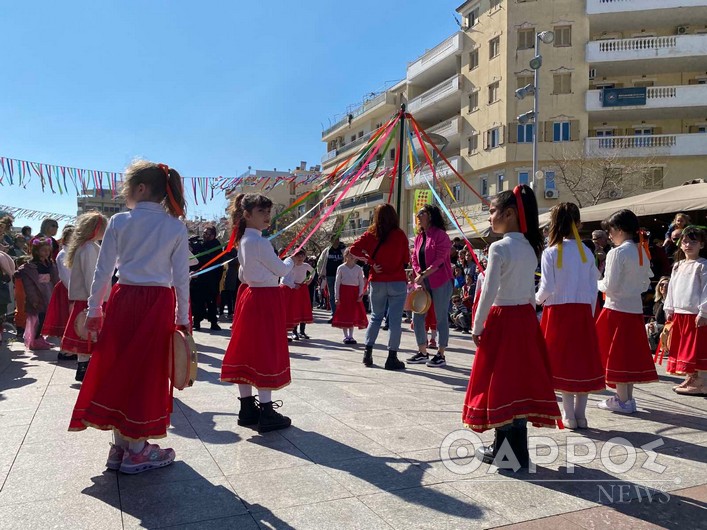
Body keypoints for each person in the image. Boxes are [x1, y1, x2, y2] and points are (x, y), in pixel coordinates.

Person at [69, 160, 190, 475]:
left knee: (117, 366)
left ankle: (120, 448)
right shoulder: (175, 227)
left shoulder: (119, 222)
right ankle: (137, 451)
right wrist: (183, 317)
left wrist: (95, 309)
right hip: (159, 302)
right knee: (147, 371)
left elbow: (103, 271)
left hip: (123, 299)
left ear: (140, 188)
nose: (124, 194)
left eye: (125, 188)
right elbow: (181, 278)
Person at [463, 185, 561, 470]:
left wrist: (478, 325)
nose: (490, 217)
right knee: (518, 383)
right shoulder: (531, 247)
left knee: (498, 383)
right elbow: (530, 294)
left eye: (492, 211)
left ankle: (509, 452)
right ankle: (509, 448)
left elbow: (489, 290)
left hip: (502, 319)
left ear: (508, 213)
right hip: (525, 320)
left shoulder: (499, 247)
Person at [221, 193, 294, 433]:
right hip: (266, 299)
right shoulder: (260, 242)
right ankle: (266, 411)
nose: (267, 217)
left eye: (268, 212)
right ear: (247, 215)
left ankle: (246, 409)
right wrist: (292, 261)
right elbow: (281, 269)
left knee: (247, 351)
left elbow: (243, 274)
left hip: (250, 297)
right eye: (261, 212)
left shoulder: (243, 241)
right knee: (265, 351)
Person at [536, 203, 605, 430]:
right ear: (578, 224)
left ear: (554, 224)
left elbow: (547, 286)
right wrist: (590, 312)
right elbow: (594, 284)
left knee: (563, 363)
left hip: (557, 314)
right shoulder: (586, 252)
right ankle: (581, 415)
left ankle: (568, 415)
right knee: (581, 363)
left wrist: (535, 301)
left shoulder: (551, 252)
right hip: (583, 312)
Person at [596, 209, 658, 414]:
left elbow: (610, 285)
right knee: (627, 356)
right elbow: (645, 283)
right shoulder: (641, 250)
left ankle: (623, 401)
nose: (609, 235)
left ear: (620, 229)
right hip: (634, 309)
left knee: (618, 356)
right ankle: (626, 398)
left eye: (611, 230)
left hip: (616, 309)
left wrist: (596, 283)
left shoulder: (617, 252)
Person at [350, 204, 410, 370]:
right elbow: (406, 259)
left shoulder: (371, 233)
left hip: (377, 280)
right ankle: (392, 357)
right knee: (395, 321)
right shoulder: (400, 235)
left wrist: (371, 262)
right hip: (397, 280)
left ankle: (367, 353)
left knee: (376, 317)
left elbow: (353, 249)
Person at [61, 213, 108, 381]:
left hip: (84, 299)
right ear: (97, 229)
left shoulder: (84, 246)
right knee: (90, 334)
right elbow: (92, 276)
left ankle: (83, 366)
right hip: (91, 299)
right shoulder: (90, 248)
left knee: (84, 334)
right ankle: (87, 369)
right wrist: (96, 299)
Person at [407, 204, 454, 368]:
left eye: (422, 213)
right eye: (418, 213)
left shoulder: (441, 236)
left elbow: (441, 260)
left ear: (431, 216)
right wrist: (419, 275)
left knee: (441, 317)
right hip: (423, 282)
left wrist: (424, 274)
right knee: (417, 315)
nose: (418, 216)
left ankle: (441, 354)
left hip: (441, 281)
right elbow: (414, 258)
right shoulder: (420, 237)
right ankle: (422, 351)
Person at [663, 226, 707, 396]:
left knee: (697, 348)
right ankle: (691, 377)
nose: (688, 245)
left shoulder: (702, 265)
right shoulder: (677, 265)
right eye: (686, 241)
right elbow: (672, 288)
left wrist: (704, 312)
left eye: (693, 242)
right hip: (680, 312)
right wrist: (670, 307)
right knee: (684, 348)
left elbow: (706, 289)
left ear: (701, 245)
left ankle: (701, 381)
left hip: (694, 314)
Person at [16, 237, 58, 350]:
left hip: (48, 290)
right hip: (39, 292)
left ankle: (40, 338)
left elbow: (55, 277)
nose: (46, 253)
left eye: (48, 250)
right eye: (44, 250)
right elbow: (29, 285)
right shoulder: (32, 266)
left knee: (45, 317)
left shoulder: (49, 263)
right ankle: (35, 339)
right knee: (39, 317)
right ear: (36, 251)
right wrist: (33, 299)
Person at [43, 225, 75, 360]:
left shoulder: (71, 252)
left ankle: (69, 349)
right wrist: (73, 293)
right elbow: (66, 276)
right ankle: (65, 350)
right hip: (67, 289)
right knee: (66, 319)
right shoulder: (63, 254)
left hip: (71, 288)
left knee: (70, 319)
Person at [190, 226, 224, 331]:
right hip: (200, 279)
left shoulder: (216, 246)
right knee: (198, 301)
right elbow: (196, 258)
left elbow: (216, 261)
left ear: (213, 235)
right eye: (204, 233)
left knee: (212, 302)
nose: (205, 235)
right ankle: (197, 322)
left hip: (212, 279)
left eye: (207, 233)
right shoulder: (200, 245)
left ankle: (213, 322)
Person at [281, 249, 314, 340]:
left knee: (303, 308)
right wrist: (293, 285)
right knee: (294, 309)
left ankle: (302, 331)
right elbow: (284, 279)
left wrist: (310, 279)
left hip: (302, 288)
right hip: (293, 289)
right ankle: (293, 332)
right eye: (298, 255)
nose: (300, 258)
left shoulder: (305, 265)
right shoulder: (291, 265)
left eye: (302, 256)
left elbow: (313, 271)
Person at [317, 235, 346, 322]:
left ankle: (343, 314)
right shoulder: (327, 251)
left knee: (342, 295)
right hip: (330, 276)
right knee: (332, 296)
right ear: (331, 241)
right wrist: (320, 273)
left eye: (337, 239)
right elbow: (320, 261)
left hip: (342, 276)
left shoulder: (343, 250)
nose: (336, 241)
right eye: (334, 240)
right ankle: (334, 315)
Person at [647, 276, 669, 351]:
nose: (663, 287)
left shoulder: (673, 302)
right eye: (661, 285)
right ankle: (653, 345)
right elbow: (654, 317)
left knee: (663, 328)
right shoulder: (657, 302)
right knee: (649, 326)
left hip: (669, 325)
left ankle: (656, 345)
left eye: (666, 285)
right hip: (659, 325)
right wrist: (652, 323)